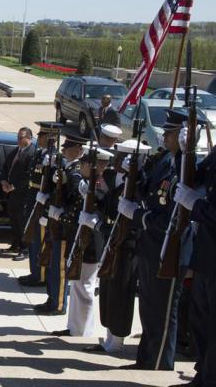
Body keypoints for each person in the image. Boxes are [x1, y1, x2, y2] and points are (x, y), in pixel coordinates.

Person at [117, 109, 192, 370]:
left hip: (167, 248)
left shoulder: (185, 167)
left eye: (169, 133)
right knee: (149, 307)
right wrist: (134, 175)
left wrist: (137, 215)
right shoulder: (166, 162)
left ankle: (160, 361)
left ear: (183, 136)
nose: (164, 137)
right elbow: (150, 192)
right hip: (150, 244)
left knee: (163, 309)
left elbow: (172, 215)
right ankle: (147, 357)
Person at [84, 139, 150, 354]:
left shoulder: (138, 185)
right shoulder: (116, 179)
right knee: (108, 291)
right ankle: (110, 334)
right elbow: (107, 206)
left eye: (121, 156)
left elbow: (132, 220)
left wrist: (100, 225)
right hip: (111, 241)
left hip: (127, 245)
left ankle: (118, 338)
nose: (116, 160)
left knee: (121, 291)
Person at [172, 122, 216, 386]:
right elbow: (194, 176)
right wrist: (186, 152)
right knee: (200, 320)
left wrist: (195, 205)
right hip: (206, 255)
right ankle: (203, 374)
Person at [55, 146, 113, 337]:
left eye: (85, 164)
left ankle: (84, 330)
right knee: (76, 284)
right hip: (79, 238)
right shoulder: (86, 182)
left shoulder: (101, 185)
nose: (81, 166)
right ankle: (74, 327)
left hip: (92, 242)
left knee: (86, 287)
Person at [33, 132, 85, 316]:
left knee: (60, 267)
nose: (64, 152)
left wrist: (61, 215)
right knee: (53, 265)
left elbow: (75, 201)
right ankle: (52, 298)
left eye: (68, 149)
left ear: (78, 151)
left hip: (64, 227)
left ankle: (59, 303)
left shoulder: (76, 173)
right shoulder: (67, 169)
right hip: (56, 224)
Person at [18, 122, 61, 286]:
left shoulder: (54, 158)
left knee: (40, 239)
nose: (38, 138)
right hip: (32, 200)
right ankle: (34, 272)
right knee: (32, 238)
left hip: (42, 205)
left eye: (41, 136)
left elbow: (52, 186)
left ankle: (41, 275)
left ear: (50, 139)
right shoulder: (39, 153)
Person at [0, 127, 36, 260]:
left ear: (29, 138)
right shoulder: (16, 151)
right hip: (12, 195)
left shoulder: (32, 154)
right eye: (18, 137)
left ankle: (25, 249)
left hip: (23, 195)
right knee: (13, 221)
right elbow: (5, 166)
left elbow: (28, 176)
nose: (19, 140)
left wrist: (13, 187)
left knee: (22, 224)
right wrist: (4, 181)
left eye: (22, 138)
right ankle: (15, 245)